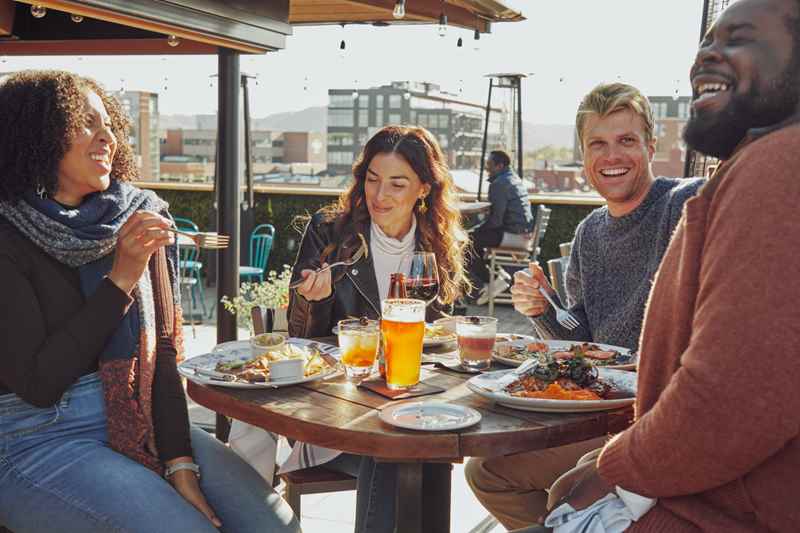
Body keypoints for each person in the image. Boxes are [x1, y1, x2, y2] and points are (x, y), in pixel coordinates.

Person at [527, 0, 800, 531]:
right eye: (708, 44)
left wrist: (613, 466)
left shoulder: (775, 167)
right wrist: (545, 309)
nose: (707, 58)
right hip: (664, 458)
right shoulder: (750, 168)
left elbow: (728, 403)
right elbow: (580, 334)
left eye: (740, 39)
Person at [0, 70, 300, 533]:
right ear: (35, 136)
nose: (107, 139)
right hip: (35, 438)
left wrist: (181, 465)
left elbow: (161, 355)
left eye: (109, 125)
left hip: (138, 415)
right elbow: (40, 384)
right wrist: (121, 279)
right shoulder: (8, 236)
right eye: (85, 123)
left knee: (274, 525)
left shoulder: (136, 215)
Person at [465, 83, 705, 530]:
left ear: (651, 147)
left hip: (659, 422)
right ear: (583, 154)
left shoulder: (685, 205)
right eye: (598, 143)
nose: (612, 156)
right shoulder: (590, 233)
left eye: (626, 141)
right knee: (485, 469)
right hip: (600, 411)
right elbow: (581, 337)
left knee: (529, 482)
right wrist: (541, 308)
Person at [283, 125, 469, 532]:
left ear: (424, 187)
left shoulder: (434, 242)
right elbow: (299, 336)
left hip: (409, 397)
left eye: (397, 184)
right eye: (372, 179)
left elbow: (439, 337)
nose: (380, 195)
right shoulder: (331, 231)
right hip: (336, 408)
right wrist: (313, 298)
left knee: (423, 442)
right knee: (394, 444)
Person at [467, 149, 534, 304]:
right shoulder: (513, 179)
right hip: (522, 235)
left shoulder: (499, 184)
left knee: (466, 242)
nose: (486, 168)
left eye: (489, 164)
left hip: (513, 237)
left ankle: (494, 280)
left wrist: (475, 230)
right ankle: (496, 278)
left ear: (499, 165)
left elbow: (496, 221)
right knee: (473, 238)